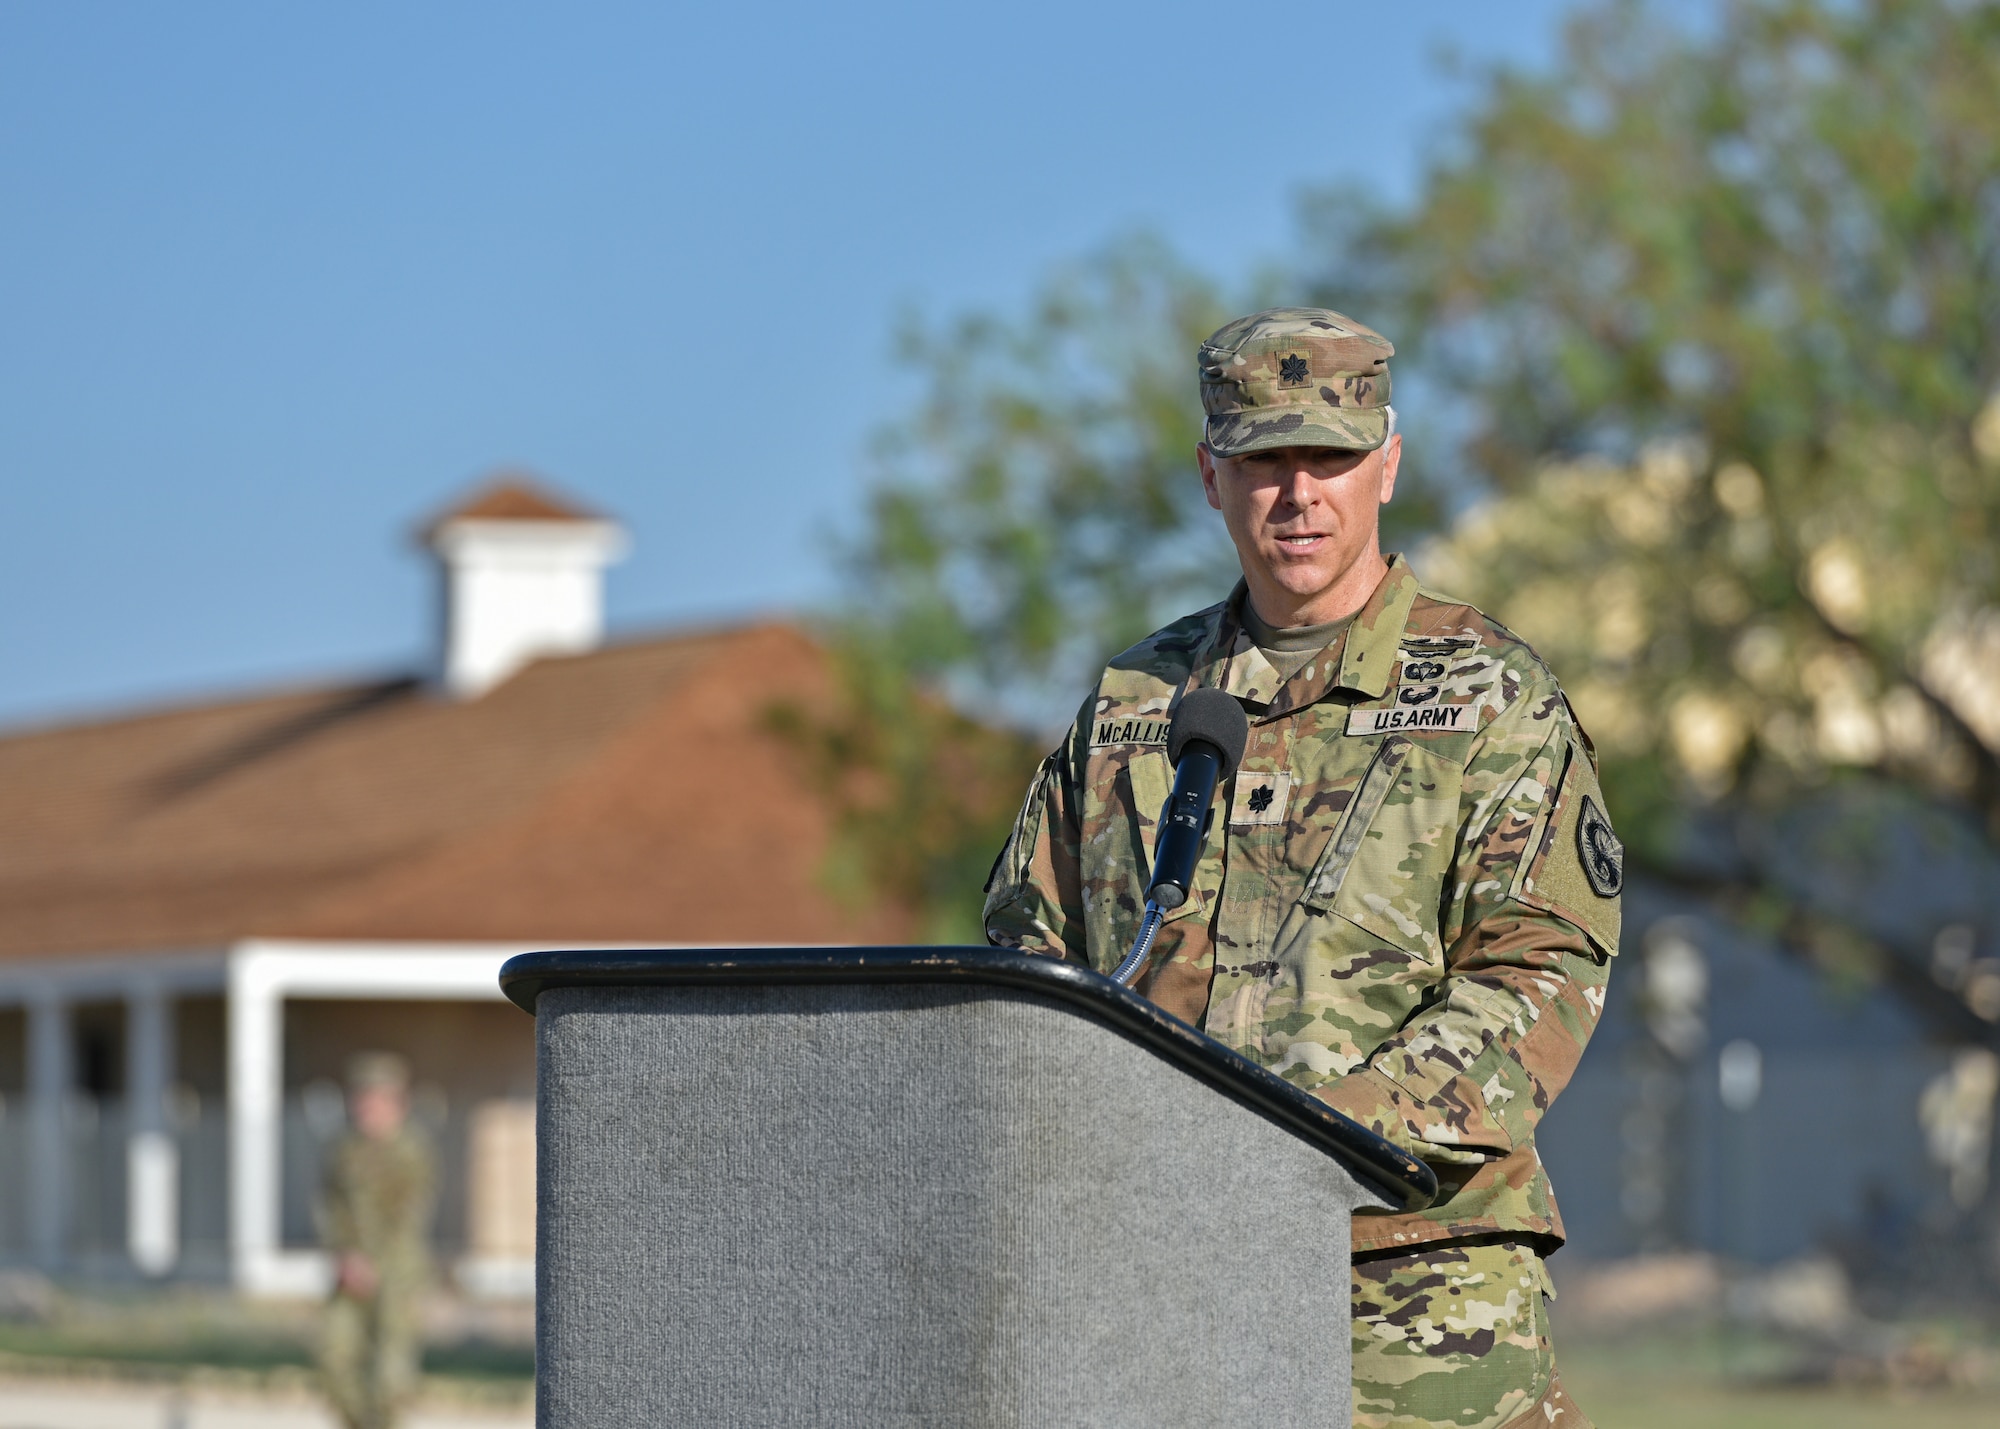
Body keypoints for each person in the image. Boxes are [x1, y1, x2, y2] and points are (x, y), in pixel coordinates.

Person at [983, 308, 1622, 1429]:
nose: (1297, 493)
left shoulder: (1486, 692)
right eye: (1263, 460)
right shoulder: (1137, 702)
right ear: (1207, 476)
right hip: (1163, 1282)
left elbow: (1538, 972)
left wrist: (1317, 1140)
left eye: (1327, 457)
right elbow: (1025, 962)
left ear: (1386, 463)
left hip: (1411, 1295)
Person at [317, 1051, 437, 1429]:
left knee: (390, 1379)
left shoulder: (412, 1151)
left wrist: (374, 1264)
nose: (367, 1107)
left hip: (396, 1274)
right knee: (335, 1362)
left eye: (377, 1098)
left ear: (396, 1102)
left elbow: (408, 1219)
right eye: (362, 1097)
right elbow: (329, 1206)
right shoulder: (344, 1148)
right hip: (349, 1272)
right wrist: (344, 1255)